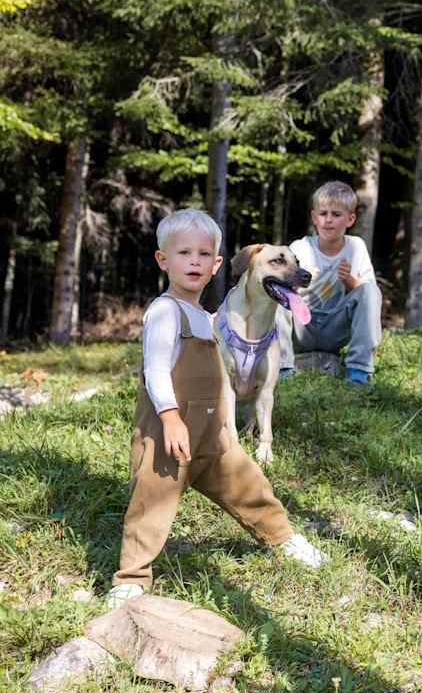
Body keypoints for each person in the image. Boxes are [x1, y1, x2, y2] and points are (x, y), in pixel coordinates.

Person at [107, 209, 327, 609]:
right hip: (167, 438)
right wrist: (171, 419)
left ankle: (283, 538)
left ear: (217, 265)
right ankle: (132, 577)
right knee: (150, 505)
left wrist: (224, 429)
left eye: (203, 254)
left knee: (251, 487)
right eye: (183, 252)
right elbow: (155, 371)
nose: (194, 261)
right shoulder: (164, 311)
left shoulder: (210, 319)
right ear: (162, 260)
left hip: (212, 436)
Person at [277, 181, 382, 385]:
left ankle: (359, 373)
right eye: (323, 214)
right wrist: (300, 282)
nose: (328, 220)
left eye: (336, 214)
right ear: (314, 217)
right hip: (301, 327)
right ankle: (283, 368)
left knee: (370, 289)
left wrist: (350, 280)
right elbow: (280, 290)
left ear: (350, 219)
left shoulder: (356, 247)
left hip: (335, 327)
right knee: (276, 292)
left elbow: (368, 298)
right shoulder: (300, 247)